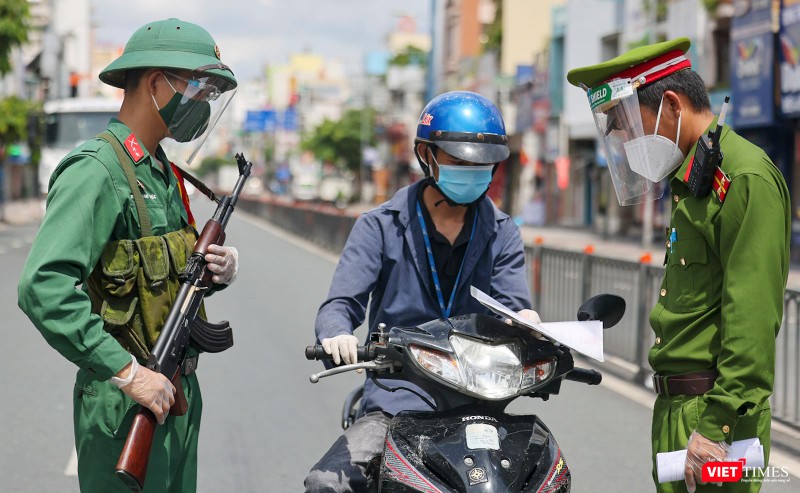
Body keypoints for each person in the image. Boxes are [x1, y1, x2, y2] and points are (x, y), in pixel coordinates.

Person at [18, 18, 240, 492]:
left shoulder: (161, 170)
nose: (203, 103)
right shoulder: (97, 171)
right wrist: (125, 372)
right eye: (199, 88)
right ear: (157, 84)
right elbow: (43, 286)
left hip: (176, 390)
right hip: (128, 398)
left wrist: (217, 271)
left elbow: (164, 274)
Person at [567, 38, 790, 492]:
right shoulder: (692, 178)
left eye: (628, 126)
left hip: (714, 420)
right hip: (677, 411)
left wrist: (717, 425)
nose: (627, 142)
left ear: (671, 104)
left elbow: (751, 320)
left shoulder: (744, 178)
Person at [304, 91, 538, 492]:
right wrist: (335, 334)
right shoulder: (379, 225)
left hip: (482, 406)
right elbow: (340, 305)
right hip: (398, 400)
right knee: (328, 484)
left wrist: (528, 324)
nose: (472, 170)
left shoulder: (502, 232)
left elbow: (513, 310)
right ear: (426, 154)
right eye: (459, 160)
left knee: (547, 475)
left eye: (482, 164)